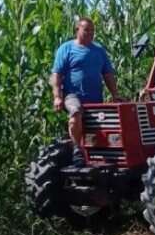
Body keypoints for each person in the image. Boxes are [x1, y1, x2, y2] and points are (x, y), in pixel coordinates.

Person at [50, 18, 125, 166]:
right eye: (86, 30)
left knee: (105, 123)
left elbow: (108, 75)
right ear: (77, 30)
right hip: (72, 95)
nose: (90, 33)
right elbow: (57, 75)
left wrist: (116, 94)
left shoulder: (98, 51)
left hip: (94, 98)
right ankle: (77, 149)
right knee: (76, 111)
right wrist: (57, 97)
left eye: (92, 30)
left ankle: (105, 156)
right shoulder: (66, 49)